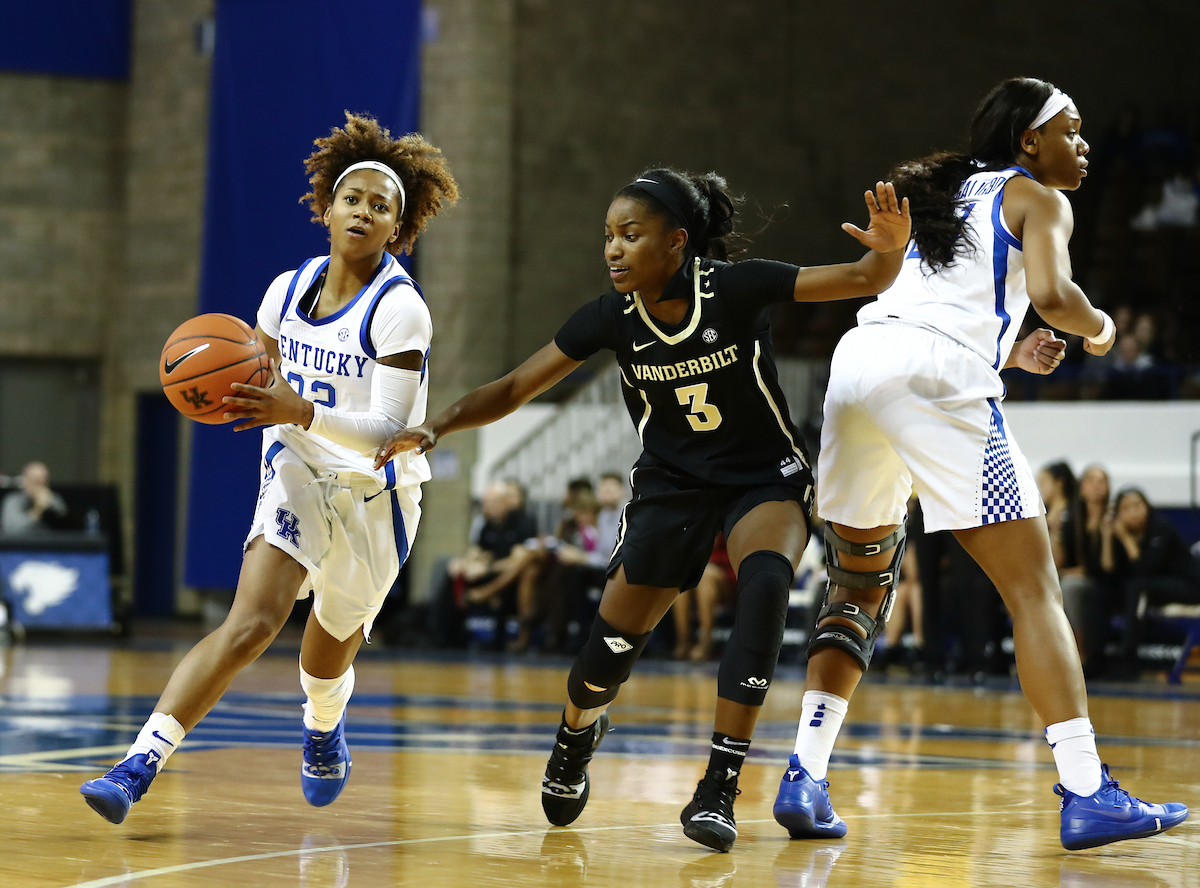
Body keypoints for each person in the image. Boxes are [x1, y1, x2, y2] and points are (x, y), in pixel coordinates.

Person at [376, 166, 912, 851]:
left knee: (767, 586)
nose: (614, 249)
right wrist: (436, 425)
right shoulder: (612, 318)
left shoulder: (735, 287)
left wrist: (889, 247)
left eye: (631, 234)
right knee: (609, 651)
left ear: (677, 242)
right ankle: (576, 732)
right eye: (608, 237)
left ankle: (720, 785)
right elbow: (515, 386)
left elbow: (863, 278)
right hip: (672, 484)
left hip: (761, 476)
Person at [772, 78, 1188, 852]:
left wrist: (1006, 349)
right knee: (1034, 587)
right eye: (1072, 129)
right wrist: (1097, 333)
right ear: (1030, 141)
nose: (1085, 144)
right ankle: (1090, 790)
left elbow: (934, 305)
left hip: (859, 367)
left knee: (858, 583)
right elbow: (1056, 295)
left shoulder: (943, 195)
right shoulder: (1035, 195)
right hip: (935, 377)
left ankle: (805, 772)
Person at [79, 113, 459, 824]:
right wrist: (221, 393)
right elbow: (256, 380)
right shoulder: (285, 290)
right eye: (354, 199)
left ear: (397, 229)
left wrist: (298, 411)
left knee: (323, 661)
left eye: (383, 206)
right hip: (296, 466)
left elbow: (386, 433)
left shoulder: (402, 309)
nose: (365, 212)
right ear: (327, 207)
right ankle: (138, 764)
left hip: (376, 491)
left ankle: (322, 727)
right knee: (252, 623)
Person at [1102, 487, 1200, 675]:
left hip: (1190, 585)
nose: (1133, 512)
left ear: (1147, 507)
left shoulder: (1160, 529)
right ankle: (1098, 658)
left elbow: (1144, 570)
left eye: (1137, 506)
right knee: (1105, 591)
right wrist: (1108, 536)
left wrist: (1125, 538)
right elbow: (1109, 571)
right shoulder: (1119, 534)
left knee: (1138, 588)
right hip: (1159, 587)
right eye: (1126, 508)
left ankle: (1128, 657)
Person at [1057, 464, 1112, 671]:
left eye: (1102, 481)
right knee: (1062, 585)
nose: (1097, 486)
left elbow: (1109, 567)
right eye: (1091, 480)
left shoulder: (1112, 516)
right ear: (1082, 487)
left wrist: (1107, 535)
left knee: (1070, 586)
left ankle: (1078, 651)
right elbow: (1060, 563)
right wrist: (1054, 531)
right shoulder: (1073, 517)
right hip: (1078, 580)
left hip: (1106, 582)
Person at [0, 462, 69, 534]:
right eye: (36, 481)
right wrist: (38, 509)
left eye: (44, 482)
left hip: (50, 543)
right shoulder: (13, 500)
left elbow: (65, 522)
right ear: (25, 481)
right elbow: (14, 530)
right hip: (23, 544)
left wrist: (49, 504)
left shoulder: (52, 499)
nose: (40, 487)